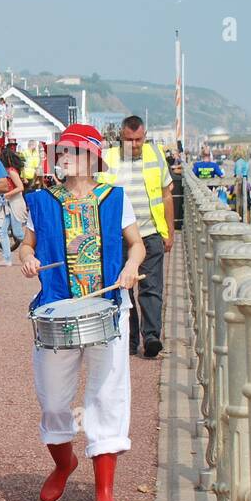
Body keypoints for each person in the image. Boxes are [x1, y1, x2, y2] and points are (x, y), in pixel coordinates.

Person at [19, 124, 144, 501]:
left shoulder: (115, 198)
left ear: (91, 157)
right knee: (54, 398)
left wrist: (130, 268)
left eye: (70, 152)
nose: (61, 158)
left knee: (108, 394)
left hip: (108, 304)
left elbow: (137, 244)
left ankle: (104, 489)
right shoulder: (41, 201)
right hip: (56, 305)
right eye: (60, 152)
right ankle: (63, 463)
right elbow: (26, 244)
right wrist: (26, 257)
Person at [99, 115, 174, 357]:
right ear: (121, 137)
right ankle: (128, 341)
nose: (134, 144)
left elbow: (166, 195)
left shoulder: (155, 155)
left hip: (150, 232)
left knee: (151, 289)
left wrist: (169, 232)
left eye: (138, 139)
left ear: (145, 135)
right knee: (123, 288)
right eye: (129, 140)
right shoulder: (108, 158)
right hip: (117, 236)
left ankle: (151, 337)